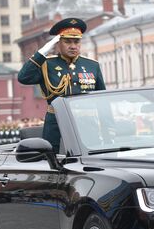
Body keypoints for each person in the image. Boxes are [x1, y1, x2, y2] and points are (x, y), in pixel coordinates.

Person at [17, 18, 106, 153]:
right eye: (67, 41)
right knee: (52, 162)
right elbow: (23, 77)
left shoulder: (92, 65)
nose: (73, 46)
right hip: (56, 123)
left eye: (76, 41)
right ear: (58, 43)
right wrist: (41, 53)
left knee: (90, 161)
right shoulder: (47, 64)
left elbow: (102, 101)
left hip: (86, 124)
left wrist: (109, 131)